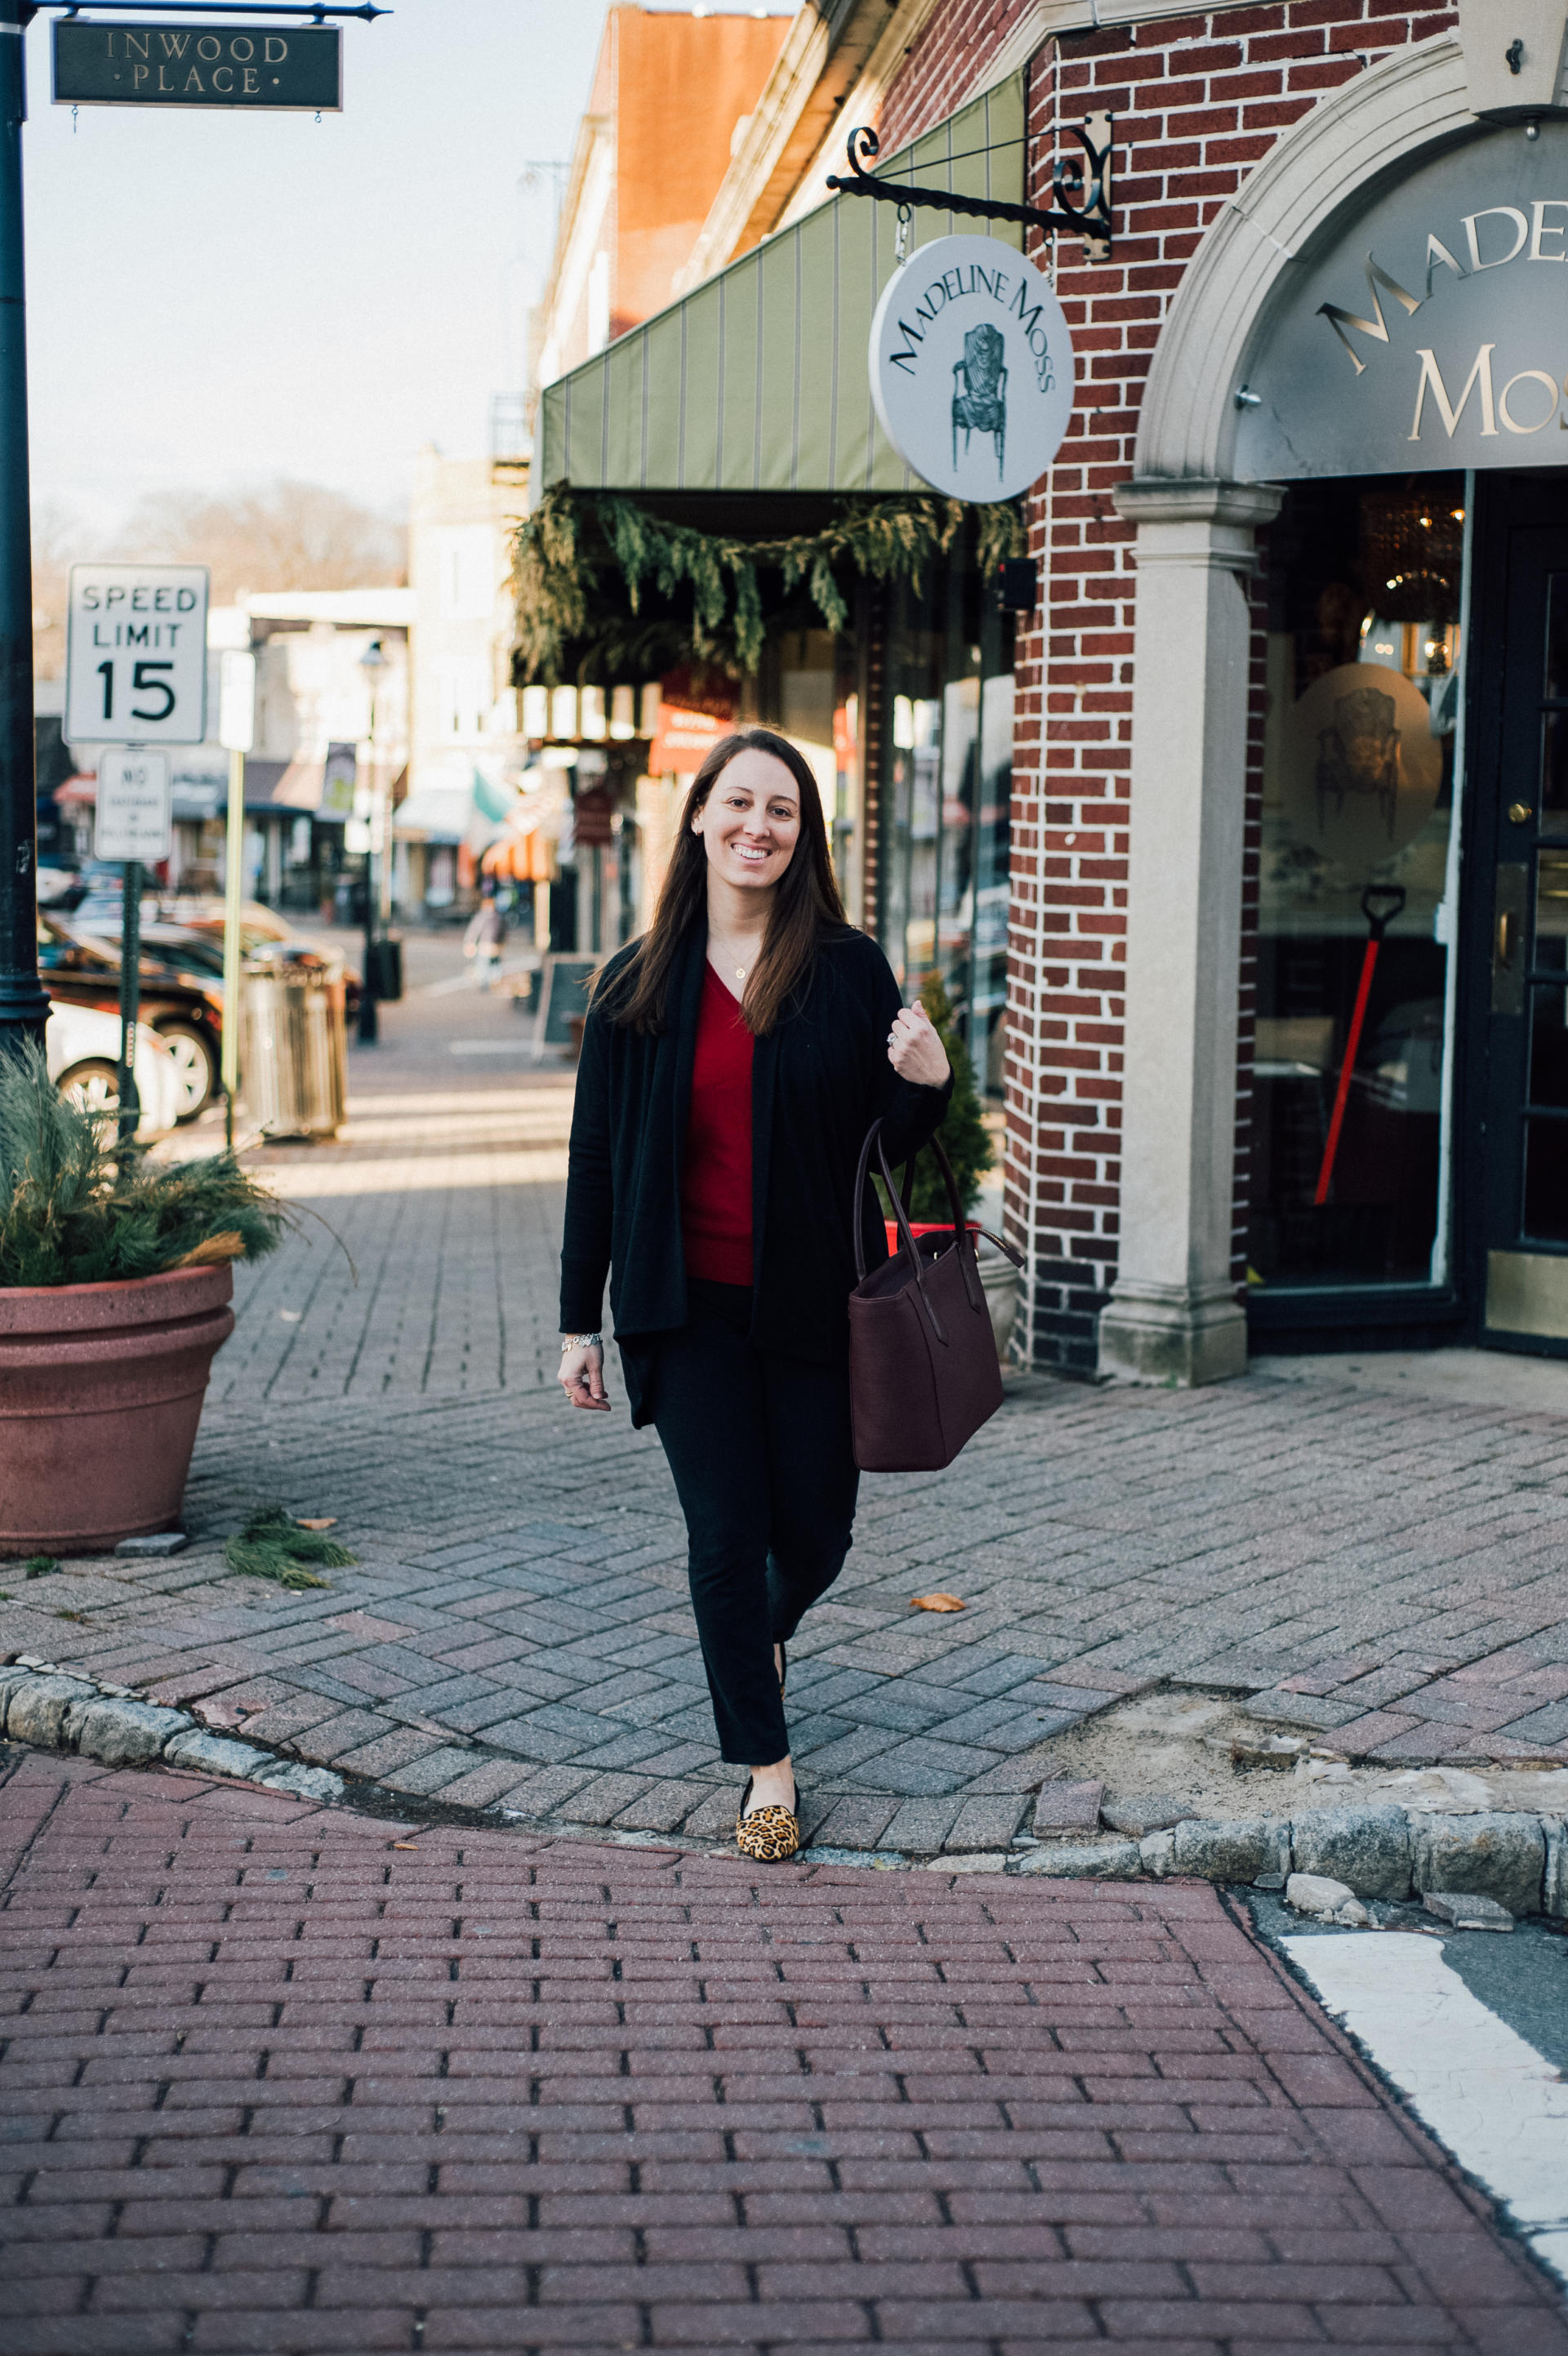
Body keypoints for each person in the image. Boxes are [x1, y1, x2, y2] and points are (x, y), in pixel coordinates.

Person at [558, 728, 952, 1862]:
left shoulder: (846, 970)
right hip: (683, 1311)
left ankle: (755, 1640)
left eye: (782, 810)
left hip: (814, 1301)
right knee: (725, 1538)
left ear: (803, 835)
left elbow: (888, 1136)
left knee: (817, 1534)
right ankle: (766, 1769)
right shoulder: (635, 986)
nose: (758, 827)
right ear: (698, 818)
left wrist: (930, 1086)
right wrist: (577, 1320)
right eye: (739, 804)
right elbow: (596, 1159)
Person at [464, 883, 507, 989]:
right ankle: (493, 981)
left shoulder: (483, 916)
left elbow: (474, 930)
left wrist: (470, 942)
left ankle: (485, 982)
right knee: (494, 964)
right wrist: (502, 943)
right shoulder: (499, 917)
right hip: (495, 945)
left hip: (485, 945)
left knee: (484, 964)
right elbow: (504, 932)